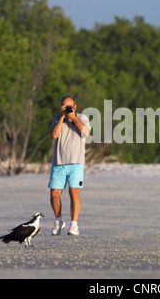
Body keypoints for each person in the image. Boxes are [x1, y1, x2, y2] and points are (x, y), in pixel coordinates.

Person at [48, 96, 91, 236]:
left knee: (74, 192)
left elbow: (86, 133)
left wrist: (73, 118)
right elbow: (54, 135)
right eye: (65, 107)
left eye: (70, 106)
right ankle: (58, 220)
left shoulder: (82, 118)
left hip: (76, 162)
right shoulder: (57, 118)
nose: (67, 109)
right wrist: (62, 117)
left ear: (75, 107)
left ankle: (74, 224)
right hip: (59, 162)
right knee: (54, 194)